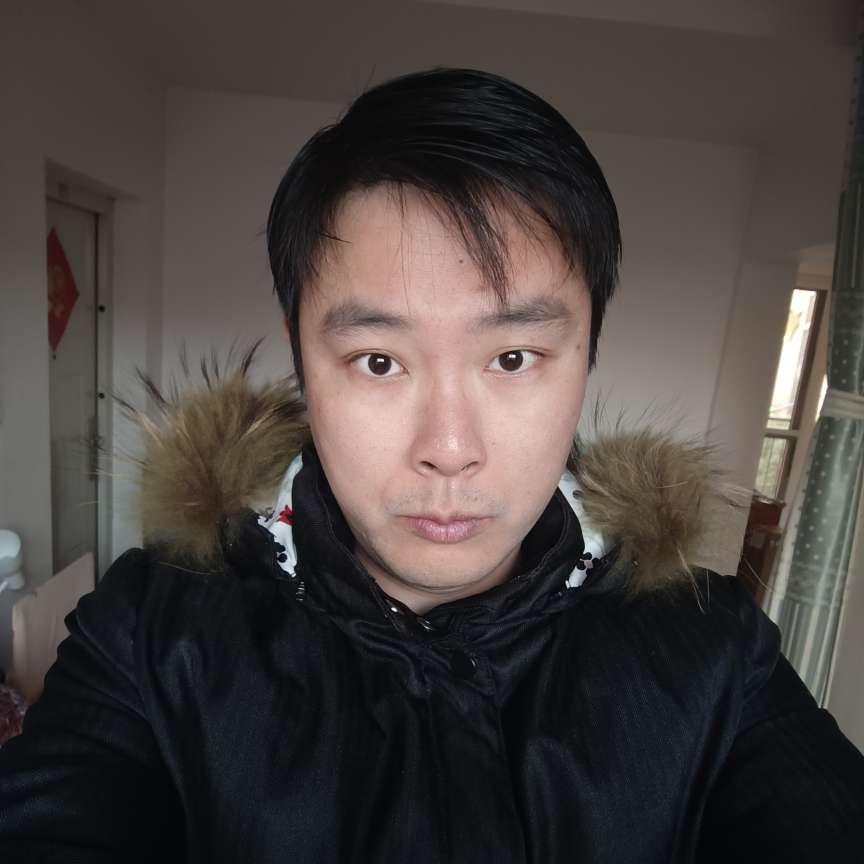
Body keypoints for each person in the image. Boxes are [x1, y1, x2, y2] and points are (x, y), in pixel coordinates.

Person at [1, 67, 863, 863]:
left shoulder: (711, 650)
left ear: (587, 357)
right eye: (379, 361)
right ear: (304, 364)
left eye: (514, 358)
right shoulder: (153, 631)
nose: (449, 448)